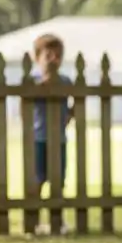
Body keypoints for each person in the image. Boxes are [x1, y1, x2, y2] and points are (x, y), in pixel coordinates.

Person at [31, 33, 74, 199]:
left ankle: (57, 213)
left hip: (59, 138)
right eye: (48, 56)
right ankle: (33, 213)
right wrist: (46, 82)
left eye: (58, 56)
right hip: (38, 138)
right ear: (37, 57)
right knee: (37, 180)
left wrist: (69, 115)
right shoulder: (32, 80)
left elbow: (75, 100)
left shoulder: (66, 81)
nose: (54, 60)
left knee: (58, 181)